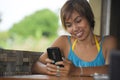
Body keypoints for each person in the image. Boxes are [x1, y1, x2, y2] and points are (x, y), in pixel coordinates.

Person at [31, 0, 117, 76]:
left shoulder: (108, 42)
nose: (75, 28)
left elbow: (113, 70)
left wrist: (77, 71)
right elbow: (36, 66)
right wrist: (52, 70)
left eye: (78, 21)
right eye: (69, 25)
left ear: (89, 17)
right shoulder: (63, 42)